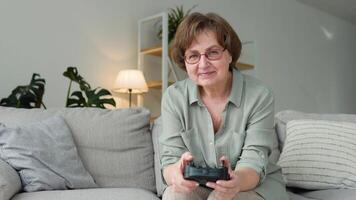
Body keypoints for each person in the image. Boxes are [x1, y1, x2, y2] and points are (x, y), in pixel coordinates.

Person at [159, 12, 289, 200]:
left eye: (213, 52)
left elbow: (253, 161)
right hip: (198, 184)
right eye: (193, 56)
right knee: (174, 196)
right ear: (185, 62)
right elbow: (170, 160)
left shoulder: (260, 95)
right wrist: (175, 175)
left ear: (229, 55)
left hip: (248, 183)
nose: (203, 64)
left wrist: (236, 180)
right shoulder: (174, 97)